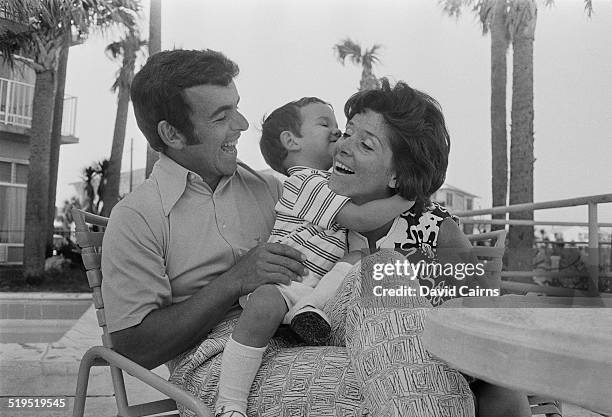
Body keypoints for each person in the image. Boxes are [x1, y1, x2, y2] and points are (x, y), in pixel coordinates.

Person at [100, 48, 518, 417]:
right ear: (172, 133)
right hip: (221, 364)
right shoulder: (138, 217)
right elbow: (132, 348)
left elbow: (350, 190)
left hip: (307, 330)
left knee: (384, 270)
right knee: (381, 381)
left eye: (237, 107)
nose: (243, 124)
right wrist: (234, 281)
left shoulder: (273, 189)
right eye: (221, 116)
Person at [215, 97, 414, 416]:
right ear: (291, 141)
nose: (337, 133)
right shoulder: (305, 182)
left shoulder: (332, 184)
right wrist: (409, 193)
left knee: (359, 257)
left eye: (339, 128)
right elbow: (362, 219)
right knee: (264, 303)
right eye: (325, 124)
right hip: (287, 281)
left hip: (318, 289)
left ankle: (308, 309)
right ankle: (230, 400)